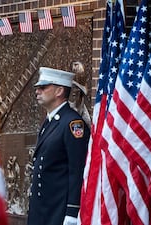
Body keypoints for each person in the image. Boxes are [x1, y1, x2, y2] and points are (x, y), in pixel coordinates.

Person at [27, 67, 90, 225]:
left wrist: (72, 211)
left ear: (59, 91)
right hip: (42, 210)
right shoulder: (50, 121)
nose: (37, 91)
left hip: (58, 211)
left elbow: (77, 170)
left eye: (43, 87)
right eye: (37, 88)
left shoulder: (73, 124)